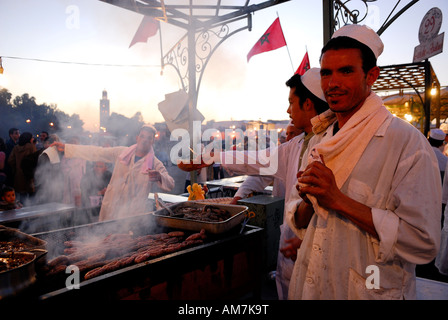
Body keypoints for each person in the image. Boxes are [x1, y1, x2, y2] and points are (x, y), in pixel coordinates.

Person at [286, 24, 441, 300]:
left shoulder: (406, 143)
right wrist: (310, 200)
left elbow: (423, 242)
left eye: (346, 71)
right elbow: (302, 220)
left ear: (371, 76)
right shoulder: (320, 139)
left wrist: (337, 200)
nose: (332, 84)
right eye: (326, 73)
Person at [178, 67, 330, 300]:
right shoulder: (296, 144)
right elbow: (257, 160)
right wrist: (208, 158)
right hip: (293, 248)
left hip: (321, 252)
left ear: (308, 103)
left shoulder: (332, 143)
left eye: (291, 102)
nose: (287, 110)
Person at [52, 124, 175, 221]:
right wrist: (67, 148)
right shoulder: (122, 152)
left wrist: (159, 176)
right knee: (105, 243)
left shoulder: (155, 163)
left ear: (153, 141)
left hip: (132, 215)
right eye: (142, 136)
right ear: (137, 138)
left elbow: (170, 183)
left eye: (149, 138)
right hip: (110, 207)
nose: (145, 140)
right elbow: (96, 152)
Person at [7, 132, 36, 204]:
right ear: (28, 139)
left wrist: (17, 168)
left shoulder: (16, 148)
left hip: (19, 176)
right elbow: (36, 160)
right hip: (29, 175)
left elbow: (10, 161)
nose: (32, 139)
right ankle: (32, 213)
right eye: (31, 138)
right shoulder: (31, 147)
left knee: (22, 197)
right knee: (32, 197)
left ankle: (23, 213)